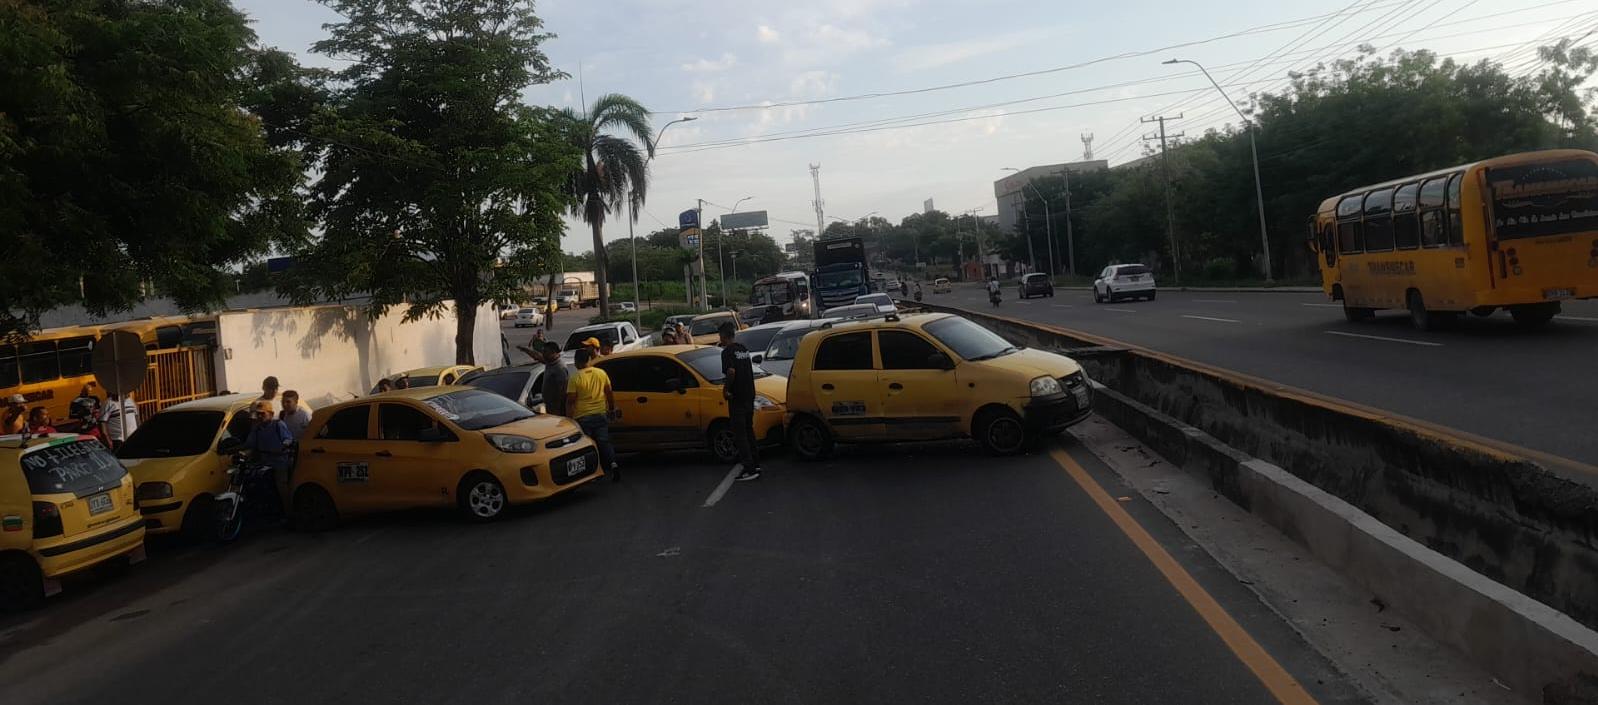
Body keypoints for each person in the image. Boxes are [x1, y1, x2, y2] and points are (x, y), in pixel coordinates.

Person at [566, 348, 618, 482]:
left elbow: (571, 402)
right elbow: (609, 393)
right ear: (589, 360)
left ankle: (594, 472)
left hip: (583, 417)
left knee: (589, 446)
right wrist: (611, 409)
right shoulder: (601, 373)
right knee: (604, 442)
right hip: (601, 414)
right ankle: (613, 464)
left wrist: (569, 420)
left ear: (576, 362)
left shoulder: (575, 378)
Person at [719, 322, 761, 482]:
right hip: (749, 394)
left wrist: (726, 389)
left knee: (740, 434)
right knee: (749, 431)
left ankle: (749, 468)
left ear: (723, 336)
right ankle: (756, 464)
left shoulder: (727, 352)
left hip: (737, 398)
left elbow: (731, 371)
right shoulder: (743, 349)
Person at [242, 400, 294, 517]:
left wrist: (285, 444)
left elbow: (288, 439)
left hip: (279, 461)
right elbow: (249, 444)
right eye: (258, 414)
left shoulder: (278, 425)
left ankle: (289, 514)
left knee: (282, 487)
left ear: (270, 414)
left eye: (263, 414)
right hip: (265, 462)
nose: (260, 416)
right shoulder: (257, 428)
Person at [540, 342, 569, 417]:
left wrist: (558, 411)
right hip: (550, 408)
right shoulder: (550, 362)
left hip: (557, 410)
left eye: (545, 352)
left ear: (553, 352)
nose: (543, 354)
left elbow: (563, 391)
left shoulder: (560, 368)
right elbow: (538, 357)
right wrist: (526, 350)